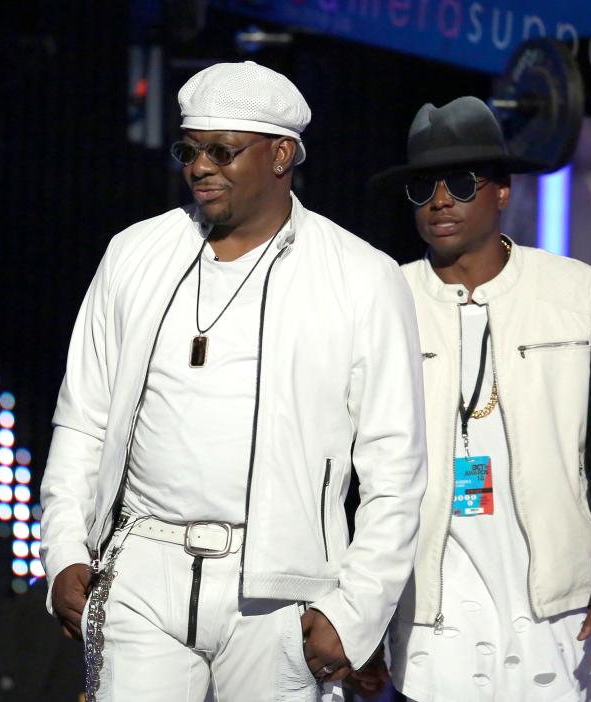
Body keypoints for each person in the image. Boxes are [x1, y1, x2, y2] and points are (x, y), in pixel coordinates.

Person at [39, 61, 427, 702]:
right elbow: (82, 417)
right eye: (189, 150)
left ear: (281, 155)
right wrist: (63, 552)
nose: (199, 167)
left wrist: (353, 612)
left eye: (222, 150)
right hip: (140, 565)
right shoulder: (135, 254)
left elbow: (396, 466)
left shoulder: (361, 277)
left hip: (279, 588)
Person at [360, 96, 591, 701]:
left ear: (501, 192)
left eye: (462, 182)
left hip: (557, 612)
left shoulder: (575, 293)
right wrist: (355, 616)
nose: (441, 199)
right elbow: (348, 472)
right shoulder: (384, 299)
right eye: (424, 187)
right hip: (428, 609)